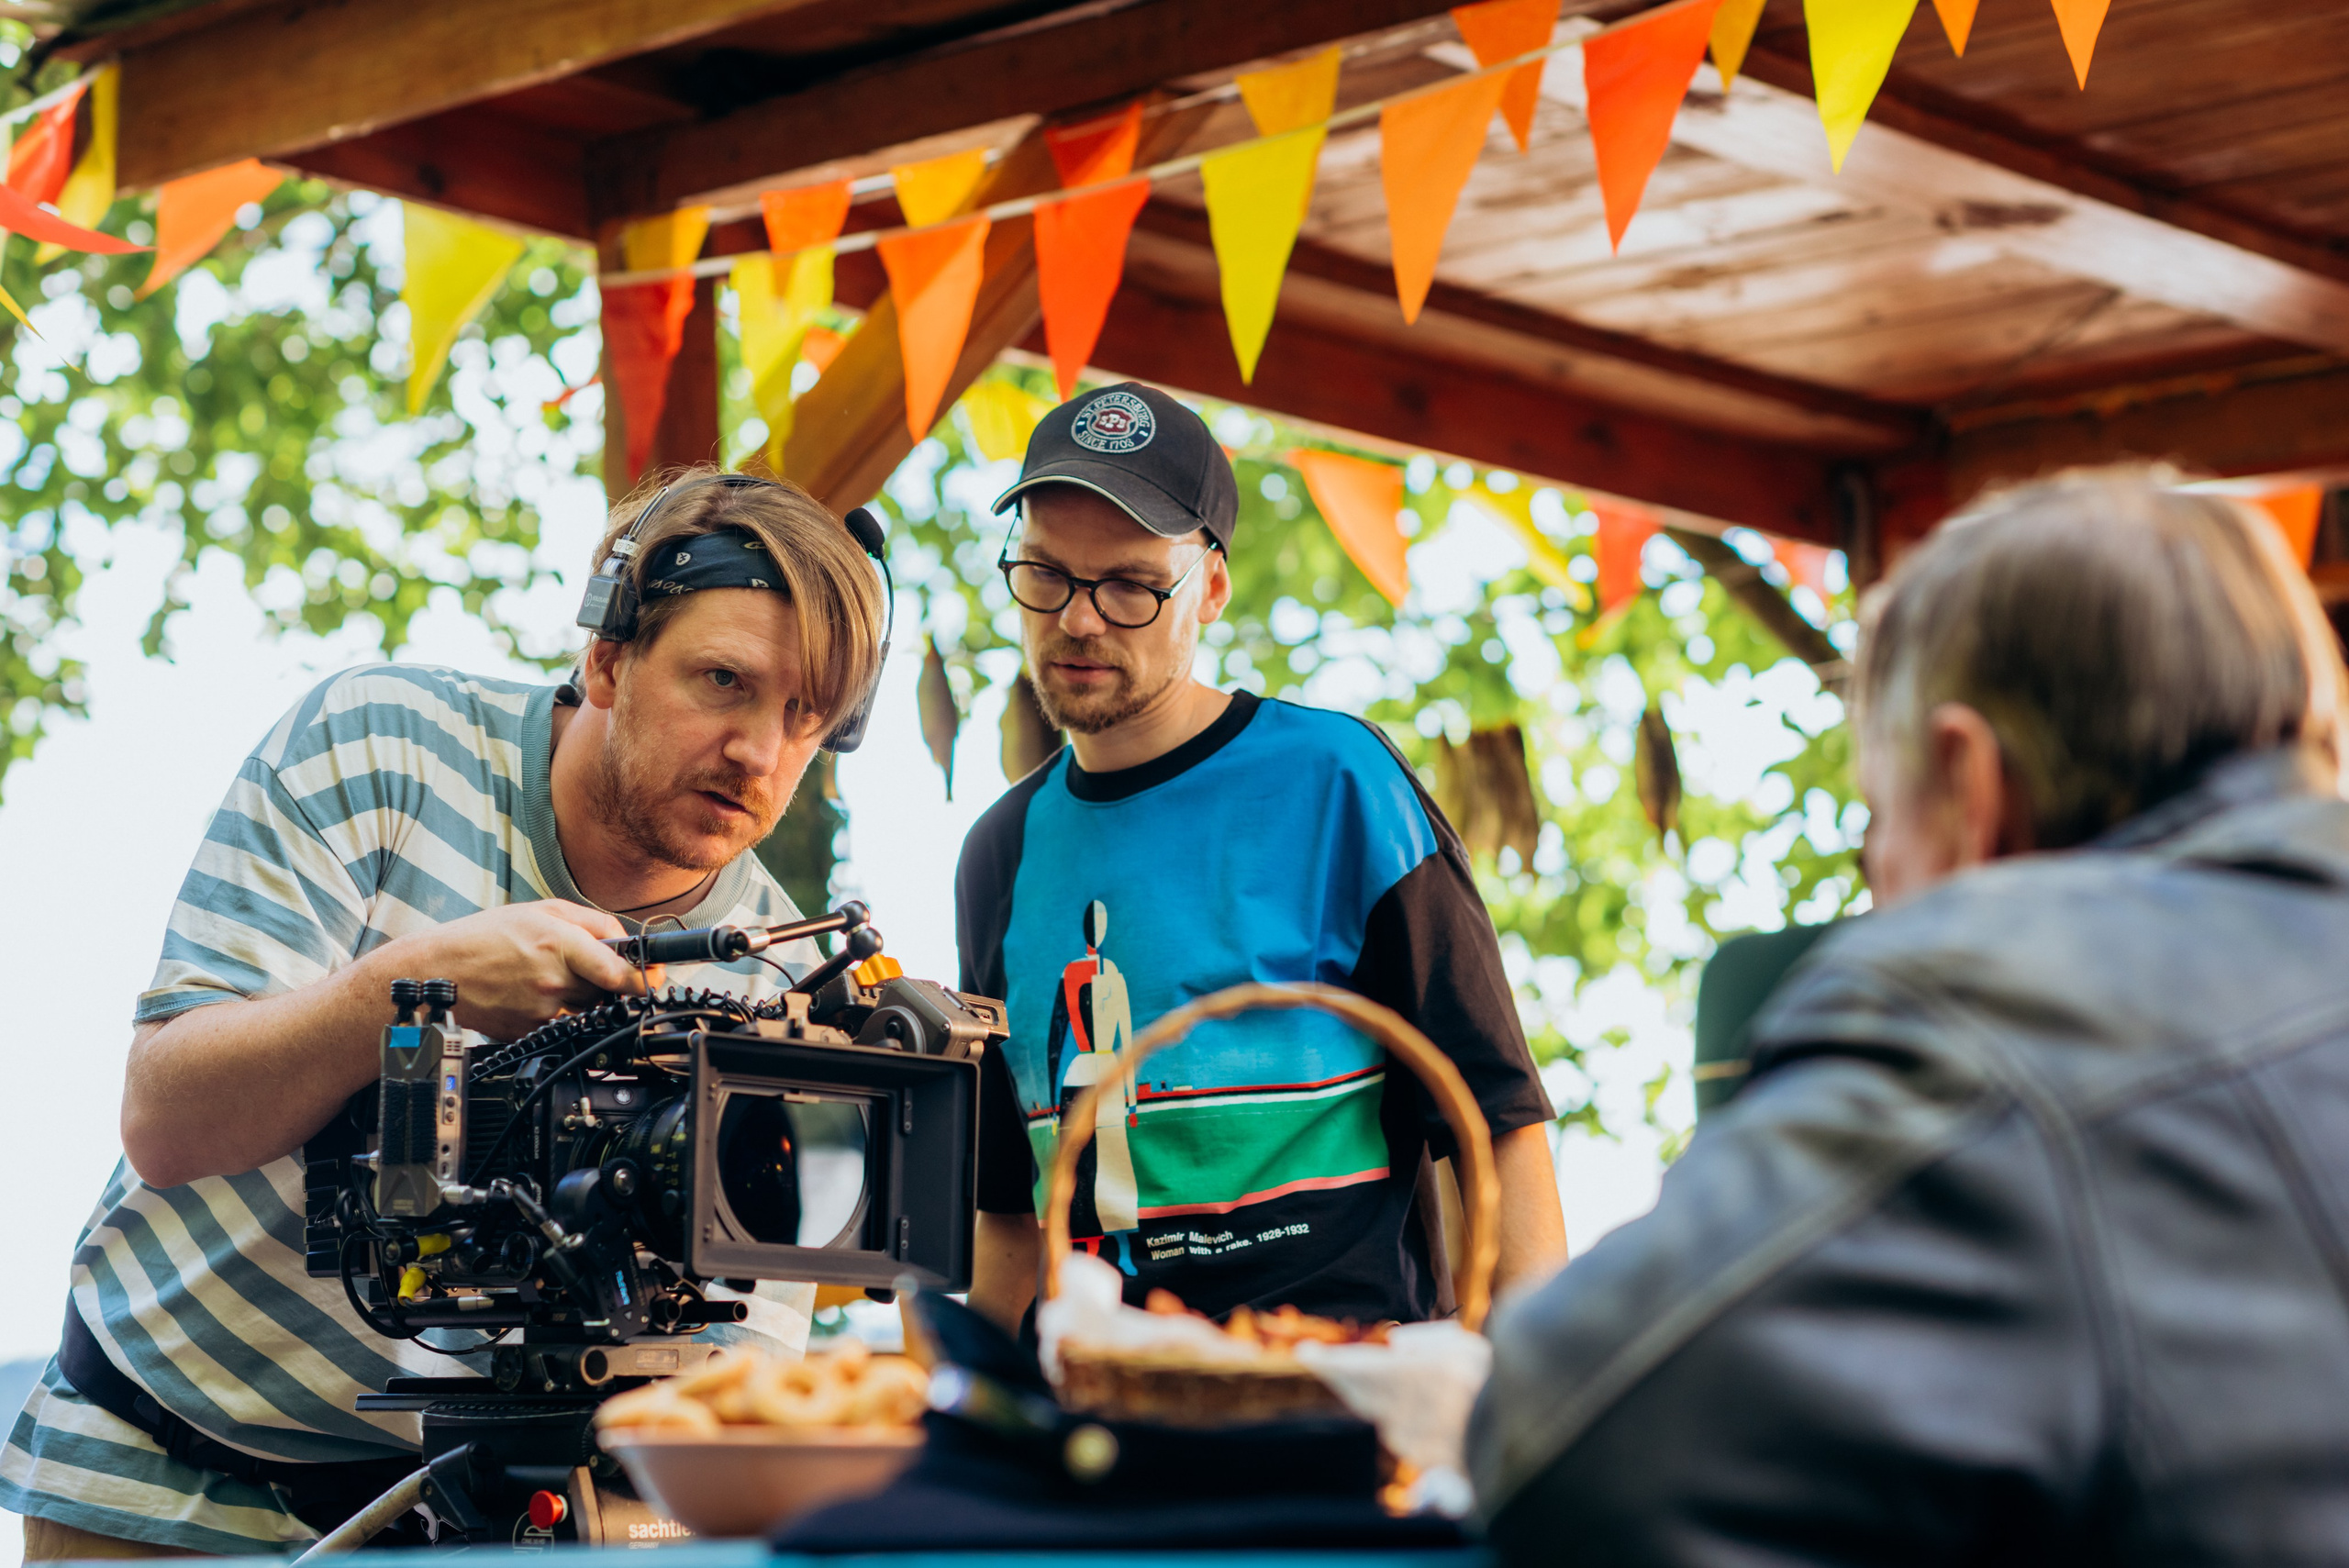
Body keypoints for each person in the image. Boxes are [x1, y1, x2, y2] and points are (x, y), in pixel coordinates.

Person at [1470, 469, 2349, 1563]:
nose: (1874, 871)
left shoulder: (2009, 1007)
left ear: (1969, 783)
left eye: (1877, 819)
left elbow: (1571, 1437)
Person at [0, 471, 884, 1558]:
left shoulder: (776, 984)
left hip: (471, 1517)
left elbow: (733, 1375)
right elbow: (167, 1119)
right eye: (721, 680)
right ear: (606, 659)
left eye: (805, 717)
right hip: (164, 1466)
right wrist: (413, 988)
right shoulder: (382, 742)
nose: (758, 750)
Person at [957, 382, 1565, 1334]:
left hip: (1341, 1398)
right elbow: (1006, 1207)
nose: (1078, 620)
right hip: (1097, 1425)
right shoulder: (998, 852)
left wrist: (1528, 1407)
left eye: (1127, 585)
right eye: (1045, 574)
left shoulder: (1337, 780)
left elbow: (1497, 1121)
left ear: (1209, 586)